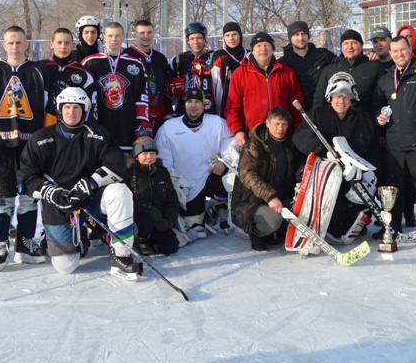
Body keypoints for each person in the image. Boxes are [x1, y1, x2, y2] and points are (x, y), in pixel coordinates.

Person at [18, 88, 142, 280]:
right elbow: (25, 177)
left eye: (76, 107)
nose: (71, 112)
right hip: (58, 205)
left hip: (90, 199)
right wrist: (50, 193)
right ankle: (79, 236)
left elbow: (117, 166)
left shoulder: (98, 134)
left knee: (120, 191)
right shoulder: (41, 138)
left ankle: (122, 256)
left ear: (85, 110)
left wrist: (90, 183)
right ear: (60, 109)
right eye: (66, 107)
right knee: (66, 267)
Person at [0, 25, 56, 269]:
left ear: (26, 44)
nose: (15, 47)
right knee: (1, 197)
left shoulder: (39, 71)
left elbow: (49, 109)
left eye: (19, 42)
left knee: (29, 196)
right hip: (1, 145)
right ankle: (0, 243)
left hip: (31, 147)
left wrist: (48, 142)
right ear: (4, 45)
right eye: (10, 42)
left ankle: (25, 241)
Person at [294, 73, 378, 242]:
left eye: (346, 97)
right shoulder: (317, 115)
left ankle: (352, 220)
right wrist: (324, 152)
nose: (342, 101)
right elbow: (299, 138)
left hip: (352, 178)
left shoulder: (362, 120)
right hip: (325, 177)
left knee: (360, 195)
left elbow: (371, 151)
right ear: (330, 97)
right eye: (337, 96)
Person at [374, 35, 416, 238]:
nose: (399, 54)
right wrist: (378, 117)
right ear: (390, 53)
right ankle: (392, 227)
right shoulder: (386, 77)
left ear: (410, 48)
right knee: (393, 190)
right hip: (394, 144)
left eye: (402, 50)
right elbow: (377, 103)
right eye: (394, 51)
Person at [156, 89, 236, 238]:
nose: (194, 105)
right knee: (193, 225)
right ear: (184, 104)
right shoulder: (169, 128)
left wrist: (224, 162)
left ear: (203, 104)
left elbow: (231, 142)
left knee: (237, 177)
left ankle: (232, 212)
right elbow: (164, 162)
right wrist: (175, 184)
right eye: (190, 102)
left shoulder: (217, 123)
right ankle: (202, 212)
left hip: (210, 176)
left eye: (198, 101)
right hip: (185, 185)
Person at [231, 107, 299, 251]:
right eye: (276, 124)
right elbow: (247, 174)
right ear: (267, 123)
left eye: (284, 124)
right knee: (274, 220)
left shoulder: (288, 146)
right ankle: (255, 233)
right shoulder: (254, 145)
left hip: (278, 199)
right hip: (251, 201)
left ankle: (272, 232)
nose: (280, 128)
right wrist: (270, 197)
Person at [225, 31, 304, 148]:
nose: (263, 49)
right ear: (252, 50)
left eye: (267, 45)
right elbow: (232, 108)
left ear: (272, 49)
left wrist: (298, 132)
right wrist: (238, 130)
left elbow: (297, 106)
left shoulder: (286, 72)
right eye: (258, 46)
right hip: (253, 138)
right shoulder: (240, 74)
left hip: (282, 136)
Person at [82, 21, 151, 153]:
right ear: (104, 37)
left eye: (117, 36)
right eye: (110, 36)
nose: (114, 39)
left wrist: (142, 122)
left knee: (128, 167)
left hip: (127, 125)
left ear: (123, 37)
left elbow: (141, 95)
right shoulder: (90, 62)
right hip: (99, 124)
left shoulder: (135, 64)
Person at [127, 136, 181, 257]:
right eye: (145, 153)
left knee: (170, 248)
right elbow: (127, 201)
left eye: (152, 153)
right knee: (146, 223)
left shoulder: (162, 172)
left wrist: (169, 221)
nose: (149, 157)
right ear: (137, 156)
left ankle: (156, 238)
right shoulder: (130, 175)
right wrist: (149, 209)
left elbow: (172, 199)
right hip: (141, 216)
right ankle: (141, 239)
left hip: (161, 217)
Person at [312, 29, 382, 115]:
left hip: (365, 122)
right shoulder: (330, 69)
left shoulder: (374, 67)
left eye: (354, 43)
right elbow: (319, 99)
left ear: (361, 46)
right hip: (337, 123)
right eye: (346, 43)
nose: (350, 47)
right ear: (341, 47)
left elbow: (381, 98)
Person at [123, 19, 174, 129]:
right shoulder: (126, 56)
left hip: (159, 117)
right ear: (135, 34)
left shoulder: (160, 58)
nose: (146, 36)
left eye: (149, 32)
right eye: (142, 33)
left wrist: (169, 112)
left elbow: (165, 87)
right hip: (135, 117)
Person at [41, 27, 97, 114]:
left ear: (73, 45)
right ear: (51, 45)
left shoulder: (84, 73)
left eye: (67, 43)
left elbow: (90, 105)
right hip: (44, 123)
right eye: (59, 43)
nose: (63, 47)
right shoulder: (39, 69)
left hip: (71, 123)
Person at [279, 20, 337, 104]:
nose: (301, 38)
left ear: (308, 36)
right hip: (298, 111)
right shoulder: (283, 62)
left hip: (322, 109)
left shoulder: (324, 55)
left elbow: (341, 66)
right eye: (296, 35)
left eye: (303, 34)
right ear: (290, 38)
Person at [169, 21, 216, 115]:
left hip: (209, 110)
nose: (195, 42)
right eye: (192, 39)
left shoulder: (214, 57)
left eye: (199, 38)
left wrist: (205, 76)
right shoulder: (177, 59)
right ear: (188, 41)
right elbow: (167, 89)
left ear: (205, 39)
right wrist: (171, 88)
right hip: (183, 111)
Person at [209, 21, 246, 116]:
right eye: (227, 35)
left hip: (248, 110)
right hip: (224, 112)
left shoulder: (250, 56)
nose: (231, 38)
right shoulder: (218, 57)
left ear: (240, 35)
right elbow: (210, 85)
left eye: (234, 34)